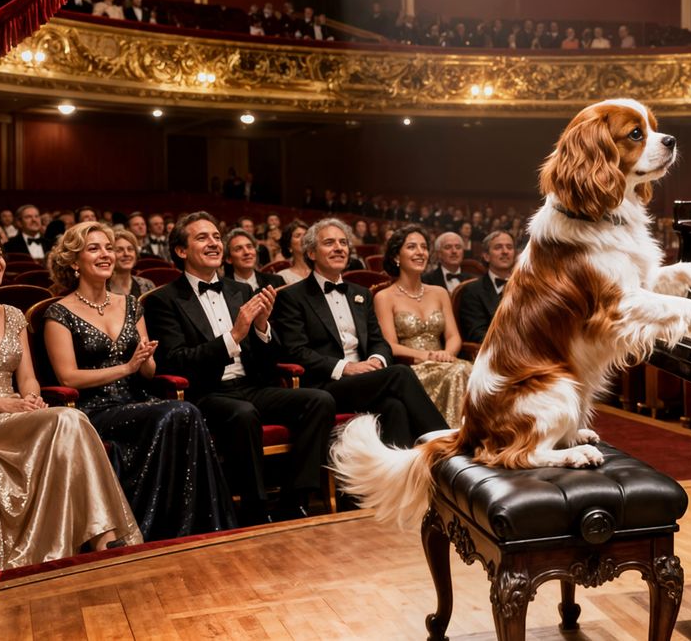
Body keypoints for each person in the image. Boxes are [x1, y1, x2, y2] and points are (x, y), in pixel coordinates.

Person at [0, 227, 143, 569]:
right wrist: (4, 404)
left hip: (16, 411)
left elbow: (27, 378)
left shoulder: (12, 314)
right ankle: (106, 537)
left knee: (67, 422)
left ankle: (96, 538)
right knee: (70, 418)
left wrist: (30, 398)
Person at [42, 222, 235, 539]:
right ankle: (158, 528)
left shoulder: (132, 305)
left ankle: (193, 527)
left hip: (137, 401)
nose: (106, 254)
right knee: (180, 412)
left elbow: (149, 371)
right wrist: (128, 368)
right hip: (92, 410)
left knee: (184, 412)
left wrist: (146, 362)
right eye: (94, 249)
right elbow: (68, 376)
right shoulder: (58, 313)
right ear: (74, 262)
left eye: (108, 247)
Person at [146, 213, 333, 525]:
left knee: (320, 401)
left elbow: (267, 361)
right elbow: (176, 361)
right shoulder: (164, 300)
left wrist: (261, 329)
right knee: (243, 413)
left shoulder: (241, 291)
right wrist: (232, 337)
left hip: (252, 385)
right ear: (181, 251)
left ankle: (293, 499)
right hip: (205, 391)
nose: (213, 243)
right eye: (202, 237)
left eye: (216, 237)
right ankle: (254, 508)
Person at [271, 219, 445, 447]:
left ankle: (397, 478)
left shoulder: (361, 294)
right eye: (329, 243)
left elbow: (378, 341)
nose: (339, 248)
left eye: (343, 242)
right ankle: (447, 445)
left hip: (365, 380)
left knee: (395, 406)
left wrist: (376, 359)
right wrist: (347, 368)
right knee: (400, 374)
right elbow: (296, 351)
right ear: (311, 252)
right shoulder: (293, 296)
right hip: (325, 385)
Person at [375, 226, 470, 427]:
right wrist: (426, 356)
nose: (420, 252)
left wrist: (446, 353)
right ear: (396, 256)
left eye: (424, 247)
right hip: (412, 371)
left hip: (445, 363)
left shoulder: (439, 292)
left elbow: (453, 336)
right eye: (411, 247)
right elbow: (389, 345)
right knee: (458, 372)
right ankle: (450, 440)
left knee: (469, 370)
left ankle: (474, 438)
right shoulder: (384, 297)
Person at [456, 230, 514, 347]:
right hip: (495, 355)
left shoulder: (526, 288)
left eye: (509, 247)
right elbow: (477, 335)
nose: (505, 252)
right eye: (498, 247)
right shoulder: (472, 290)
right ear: (486, 256)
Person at [107, 228, 157, 299]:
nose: (126, 254)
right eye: (119, 250)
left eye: (130, 249)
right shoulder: (101, 288)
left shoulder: (147, 285)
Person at [275, 220, 311, 284]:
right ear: (289, 246)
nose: (304, 238)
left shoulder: (322, 270)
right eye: (298, 236)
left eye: (306, 235)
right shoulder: (282, 276)